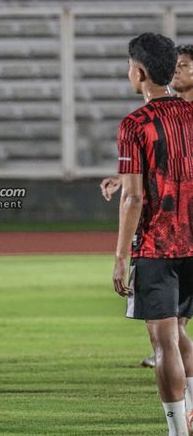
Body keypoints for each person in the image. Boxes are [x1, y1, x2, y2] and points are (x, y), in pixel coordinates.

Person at [112, 33, 193, 436]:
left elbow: (133, 198)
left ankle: (178, 430)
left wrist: (121, 257)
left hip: (157, 247)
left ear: (140, 72)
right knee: (181, 333)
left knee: (164, 342)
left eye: (130, 66)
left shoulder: (135, 124)